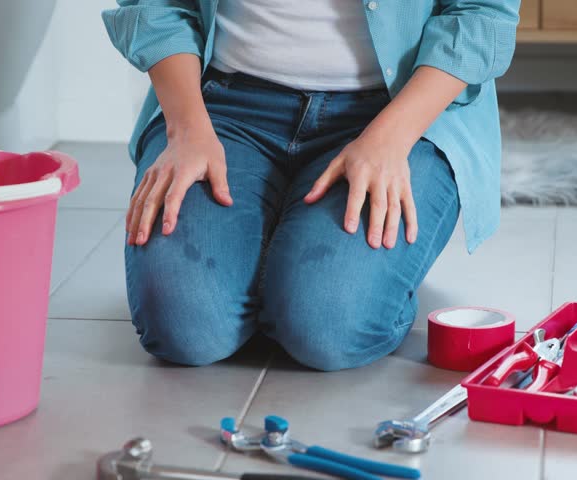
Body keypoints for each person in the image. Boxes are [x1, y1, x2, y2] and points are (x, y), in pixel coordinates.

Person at [102, 0, 521, 371]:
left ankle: (312, 272)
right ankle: (287, 262)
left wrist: (390, 140)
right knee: (184, 328)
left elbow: (481, 14)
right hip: (220, 106)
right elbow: (154, 4)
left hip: (395, 111)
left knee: (328, 327)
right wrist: (186, 127)